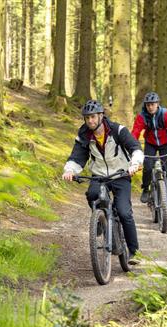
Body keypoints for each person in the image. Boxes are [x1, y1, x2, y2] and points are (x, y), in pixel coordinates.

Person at [62, 100, 144, 265]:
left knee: (124, 212)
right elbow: (77, 157)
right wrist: (70, 170)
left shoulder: (117, 130)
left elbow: (135, 148)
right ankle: (99, 221)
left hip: (120, 174)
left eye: (93, 117)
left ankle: (134, 252)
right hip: (99, 175)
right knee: (92, 194)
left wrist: (134, 164)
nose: (90, 121)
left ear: (101, 116)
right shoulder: (84, 134)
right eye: (87, 118)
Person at [131, 91, 167, 208]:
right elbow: (135, 132)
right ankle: (145, 189)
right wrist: (131, 146)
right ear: (145, 106)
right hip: (150, 143)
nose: (150, 107)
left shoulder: (165, 114)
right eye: (148, 105)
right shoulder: (142, 116)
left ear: (157, 104)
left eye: (153, 104)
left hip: (165, 143)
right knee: (148, 167)